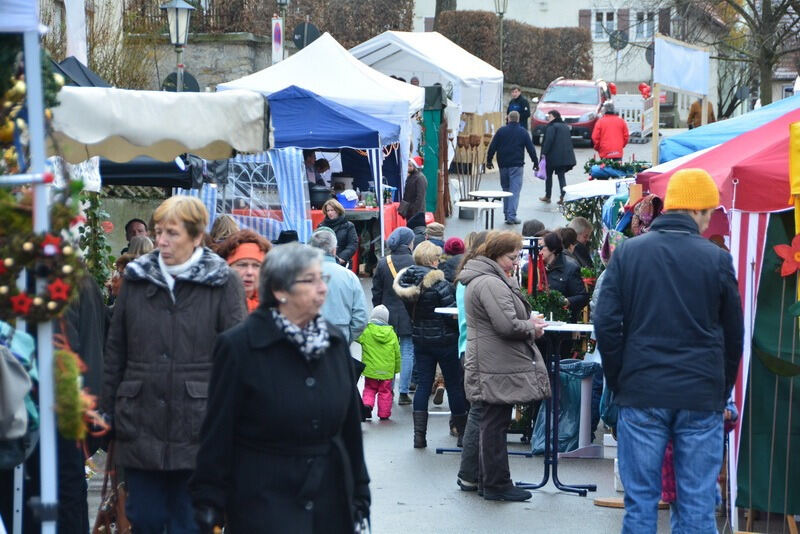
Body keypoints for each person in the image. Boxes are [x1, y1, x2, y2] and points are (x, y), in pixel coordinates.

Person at [593, 169, 743, 534]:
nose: (709, 221)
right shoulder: (716, 259)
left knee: (641, 504)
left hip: (641, 390)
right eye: (708, 212)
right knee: (696, 505)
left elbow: (606, 322)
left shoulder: (628, 253)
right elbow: (733, 333)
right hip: (699, 394)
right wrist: (720, 389)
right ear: (698, 211)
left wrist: (618, 377)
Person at [189, 243, 371, 533]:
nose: (322, 288)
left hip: (329, 500)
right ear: (279, 291)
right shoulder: (240, 347)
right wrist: (209, 500)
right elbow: (218, 430)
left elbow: (349, 427)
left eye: (322, 279)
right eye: (310, 280)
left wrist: (360, 493)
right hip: (263, 499)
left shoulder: (333, 343)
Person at [102, 196, 247, 534]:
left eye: (172, 233)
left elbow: (238, 359)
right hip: (140, 421)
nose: (161, 241)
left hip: (199, 424)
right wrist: (107, 414)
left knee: (189, 523)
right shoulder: (136, 279)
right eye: (158, 232)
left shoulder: (223, 281)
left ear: (197, 237)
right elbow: (115, 352)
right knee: (145, 518)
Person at [458, 231, 550, 502]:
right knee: (495, 424)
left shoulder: (484, 280)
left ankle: (490, 481)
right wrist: (531, 328)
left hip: (491, 361)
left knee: (492, 422)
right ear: (496, 255)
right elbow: (506, 325)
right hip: (495, 363)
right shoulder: (490, 283)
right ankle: (497, 483)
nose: (515, 262)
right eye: (512, 257)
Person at [393, 241, 468, 449]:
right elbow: (452, 314)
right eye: (436, 257)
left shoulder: (406, 281)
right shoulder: (439, 283)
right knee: (454, 385)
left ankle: (419, 437)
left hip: (421, 339)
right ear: (431, 260)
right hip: (445, 341)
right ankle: (462, 434)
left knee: (423, 386)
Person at [372, 227, 416, 405]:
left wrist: (378, 309)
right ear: (408, 242)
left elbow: (376, 290)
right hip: (409, 313)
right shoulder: (414, 261)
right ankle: (403, 392)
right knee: (407, 352)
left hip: (387, 313)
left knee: (388, 353)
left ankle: (387, 389)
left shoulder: (384, 262)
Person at [308, 228, 368, 344]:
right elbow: (361, 317)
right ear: (334, 250)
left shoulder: (299, 275)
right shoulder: (349, 277)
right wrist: (348, 338)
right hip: (340, 337)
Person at [486, 110, 539, 225]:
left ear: (508, 119)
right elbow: (530, 148)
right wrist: (535, 162)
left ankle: (507, 213)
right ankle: (511, 216)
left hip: (503, 165)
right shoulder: (523, 132)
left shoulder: (501, 131)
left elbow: (492, 146)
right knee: (514, 190)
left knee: (505, 189)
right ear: (518, 119)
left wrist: (489, 160)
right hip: (516, 165)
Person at [358, 305, 401, 420]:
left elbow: (356, 337)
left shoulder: (367, 331)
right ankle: (384, 414)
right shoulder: (392, 334)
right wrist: (396, 369)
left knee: (369, 389)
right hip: (386, 372)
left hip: (370, 370)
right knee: (385, 392)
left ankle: (367, 406)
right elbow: (397, 353)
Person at [215, 229, 272, 312]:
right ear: (227, 267)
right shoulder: (214, 304)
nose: (249, 272)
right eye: (242, 265)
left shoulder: (276, 307)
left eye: (256, 265)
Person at [540, 231, 589, 323]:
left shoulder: (570, 268)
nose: (539, 250)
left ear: (553, 249)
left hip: (562, 322)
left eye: (542, 247)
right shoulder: (531, 267)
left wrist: (566, 301)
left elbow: (583, 297)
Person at [539, 109, 576, 205]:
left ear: (554, 117)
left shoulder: (552, 127)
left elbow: (548, 141)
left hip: (552, 157)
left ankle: (548, 196)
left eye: (550, 117)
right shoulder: (565, 126)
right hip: (563, 158)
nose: (548, 118)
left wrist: (544, 153)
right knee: (561, 177)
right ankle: (563, 196)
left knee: (548, 176)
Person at [319, 199, 358, 268]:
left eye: (332, 210)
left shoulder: (349, 226)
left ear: (338, 210)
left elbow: (352, 245)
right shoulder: (321, 226)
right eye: (328, 210)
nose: (330, 213)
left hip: (343, 263)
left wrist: (342, 258)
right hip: (325, 263)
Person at [399, 155, 427, 221]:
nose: (408, 167)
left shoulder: (420, 178)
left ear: (415, 167)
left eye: (410, 166)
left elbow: (420, 197)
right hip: (410, 211)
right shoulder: (411, 177)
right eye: (408, 165)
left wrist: (414, 211)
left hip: (416, 212)